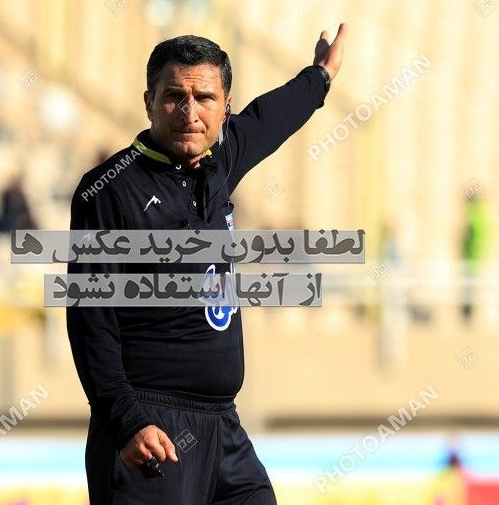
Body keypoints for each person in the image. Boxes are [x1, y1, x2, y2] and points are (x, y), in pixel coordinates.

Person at [67, 26, 348, 504]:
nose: (190, 113)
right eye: (174, 97)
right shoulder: (110, 190)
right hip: (152, 429)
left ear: (225, 107)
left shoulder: (218, 162)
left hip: (224, 429)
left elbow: (269, 119)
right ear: (149, 102)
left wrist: (319, 77)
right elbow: (90, 320)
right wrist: (127, 421)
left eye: (204, 98)